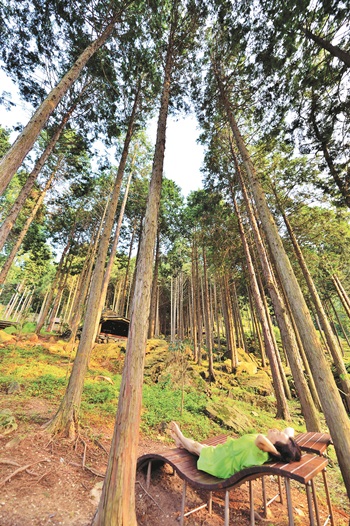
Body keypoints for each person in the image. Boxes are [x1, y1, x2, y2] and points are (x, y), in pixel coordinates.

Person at [170, 422, 302, 479]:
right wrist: (287, 438)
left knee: (196, 447)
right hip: (226, 452)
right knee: (200, 448)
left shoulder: (262, 446)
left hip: (222, 463)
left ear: (275, 446)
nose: (277, 430)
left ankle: (180, 437)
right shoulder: (268, 444)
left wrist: (278, 452)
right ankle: (181, 442)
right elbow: (289, 429)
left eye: (278, 434)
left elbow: (260, 438)